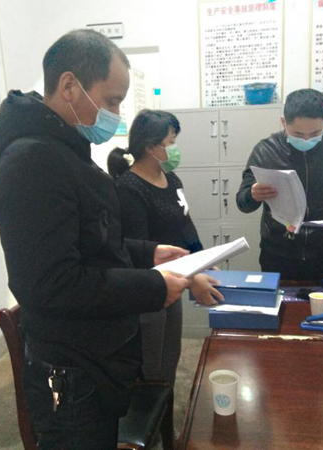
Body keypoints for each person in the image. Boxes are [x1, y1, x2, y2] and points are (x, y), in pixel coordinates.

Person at [0, 30, 191, 450]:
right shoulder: (31, 163)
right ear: (69, 86)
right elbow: (52, 283)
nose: (115, 113)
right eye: (111, 101)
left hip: (99, 359)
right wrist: (153, 287)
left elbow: (93, 241)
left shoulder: (67, 151)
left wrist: (148, 253)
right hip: (71, 373)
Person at [107, 109, 223, 387]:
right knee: (151, 366)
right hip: (147, 292)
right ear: (150, 147)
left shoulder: (172, 180)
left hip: (175, 283)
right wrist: (192, 277)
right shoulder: (129, 188)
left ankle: (165, 410)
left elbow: (186, 225)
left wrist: (203, 259)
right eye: (171, 143)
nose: (175, 149)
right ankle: (152, 413)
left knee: (170, 357)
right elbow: (140, 251)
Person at [236, 88, 323, 280]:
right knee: (282, 299)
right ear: (283, 123)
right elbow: (242, 202)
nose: (306, 139)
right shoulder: (266, 151)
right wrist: (252, 195)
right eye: (298, 133)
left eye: (315, 133)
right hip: (277, 253)